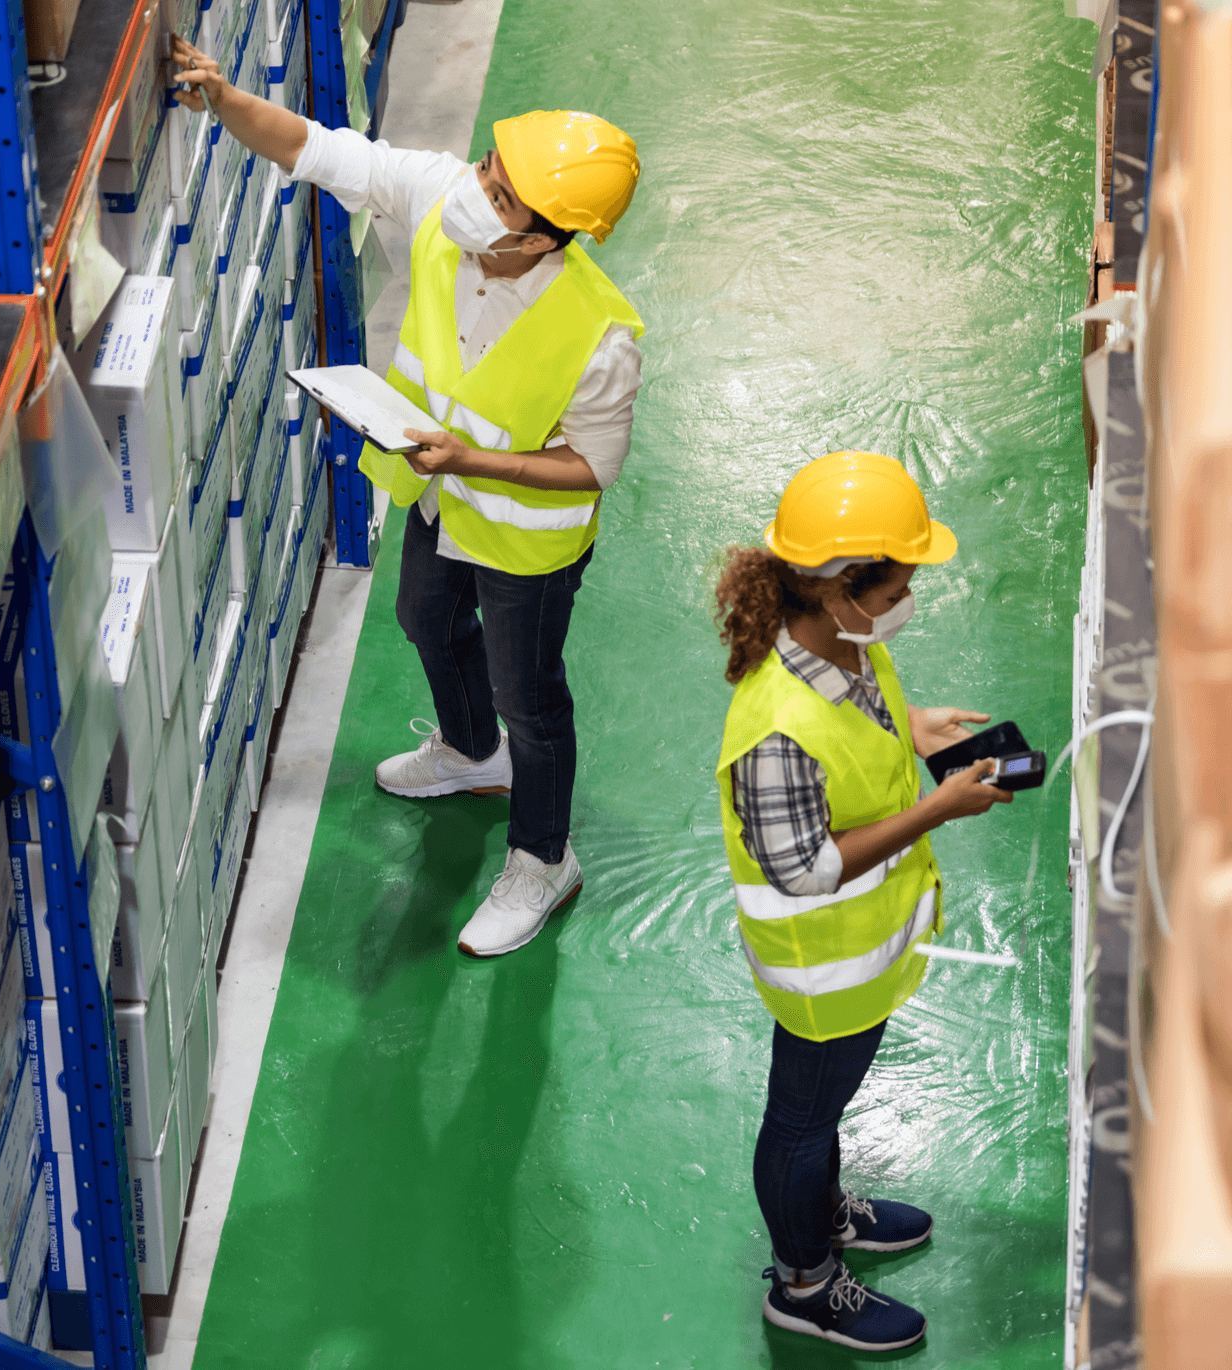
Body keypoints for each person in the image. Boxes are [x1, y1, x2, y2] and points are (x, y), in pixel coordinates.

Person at [172, 40, 644, 958]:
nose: (477, 189)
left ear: (545, 238)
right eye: (488, 168)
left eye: (502, 196)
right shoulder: (441, 200)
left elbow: (592, 468)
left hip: (524, 541)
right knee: (426, 618)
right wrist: (226, 99)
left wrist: (472, 461)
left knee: (533, 699)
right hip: (439, 498)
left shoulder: (601, 336)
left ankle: (544, 859)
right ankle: (471, 754)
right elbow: (319, 148)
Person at [714, 451, 1013, 1350]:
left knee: (825, 1110)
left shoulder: (837, 641)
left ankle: (824, 1217)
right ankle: (803, 1285)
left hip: (866, 954)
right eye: (894, 592)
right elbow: (801, 870)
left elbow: (859, 719)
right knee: (801, 1121)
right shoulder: (774, 731)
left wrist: (913, 730)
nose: (902, 605)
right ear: (842, 586)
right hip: (820, 970)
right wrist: (936, 811)